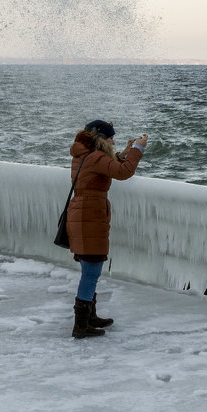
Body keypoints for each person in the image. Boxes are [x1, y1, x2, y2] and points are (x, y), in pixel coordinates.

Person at [66, 119, 148, 338]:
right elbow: (123, 172)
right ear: (101, 139)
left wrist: (123, 152)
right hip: (89, 218)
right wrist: (138, 149)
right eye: (111, 137)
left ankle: (89, 317)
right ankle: (81, 326)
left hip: (84, 215)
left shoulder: (85, 155)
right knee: (91, 272)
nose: (113, 140)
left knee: (89, 270)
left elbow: (109, 165)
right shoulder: (95, 157)